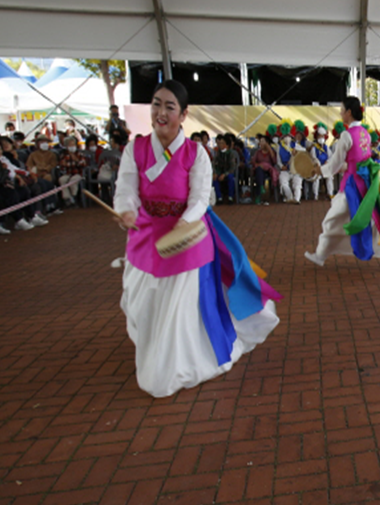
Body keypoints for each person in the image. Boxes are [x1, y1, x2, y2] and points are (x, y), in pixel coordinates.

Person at [112, 80, 281, 397]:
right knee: (141, 302)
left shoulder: (195, 153)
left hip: (186, 239)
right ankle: (155, 351)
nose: (161, 112)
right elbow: (126, 188)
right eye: (156, 104)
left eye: (170, 107)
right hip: (146, 238)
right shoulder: (135, 149)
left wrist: (184, 225)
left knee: (176, 312)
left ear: (183, 114)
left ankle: (171, 367)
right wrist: (126, 210)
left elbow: (200, 198)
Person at [304, 96, 380, 268]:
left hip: (352, 186)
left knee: (332, 220)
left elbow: (335, 165)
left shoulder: (346, 136)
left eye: (342, 110)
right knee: (379, 218)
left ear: (349, 112)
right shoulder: (365, 133)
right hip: (369, 183)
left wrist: (319, 170)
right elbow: (357, 160)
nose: (340, 113)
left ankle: (320, 255)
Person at [26, 134, 60, 214]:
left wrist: (45, 169)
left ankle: (51, 204)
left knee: (48, 179)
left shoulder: (52, 154)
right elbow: (29, 166)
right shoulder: (33, 155)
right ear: (37, 144)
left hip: (47, 173)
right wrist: (37, 170)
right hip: (36, 175)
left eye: (45, 142)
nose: (44, 144)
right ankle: (47, 205)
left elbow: (53, 165)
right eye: (41, 142)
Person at [58, 135, 87, 207]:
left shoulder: (79, 154)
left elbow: (83, 164)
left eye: (73, 145)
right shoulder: (64, 155)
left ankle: (74, 196)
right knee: (62, 180)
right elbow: (61, 166)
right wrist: (63, 165)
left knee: (73, 180)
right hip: (68, 173)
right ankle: (68, 198)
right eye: (70, 145)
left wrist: (77, 160)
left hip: (78, 173)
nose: (72, 146)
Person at [309, 123, 334, 200]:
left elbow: (331, 156)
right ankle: (315, 195)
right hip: (318, 167)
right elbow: (313, 157)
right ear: (317, 137)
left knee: (329, 177)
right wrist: (318, 163)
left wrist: (327, 161)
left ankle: (330, 194)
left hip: (325, 167)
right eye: (320, 136)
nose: (321, 138)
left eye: (322, 136)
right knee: (316, 179)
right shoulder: (314, 147)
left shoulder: (326, 147)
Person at [275, 134, 302, 204]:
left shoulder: (295, 145)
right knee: (283, 183)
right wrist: (281, 166)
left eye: (288, 136)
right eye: (285, 137)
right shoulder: (279, 147)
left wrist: (297, 152)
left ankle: (297, 199)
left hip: (295, 170)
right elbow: (278, 160)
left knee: (297, 185)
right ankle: (290, 198)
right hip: (285, 170)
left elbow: (304, 151)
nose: (287, 138)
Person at [250, 136, 277, 205]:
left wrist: (270, 150)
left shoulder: (272, 152)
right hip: (259, 170)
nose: (260, 143)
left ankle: (258, 196)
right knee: (259, 171)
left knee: (260, 175)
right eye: (260, 142)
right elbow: (253, 162)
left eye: (262, 141)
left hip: (268, 171)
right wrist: (258, 165)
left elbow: (274, 162)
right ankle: (261, 188)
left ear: (267, 143)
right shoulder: (258, 152)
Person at [212, 135, 238, 204]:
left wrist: (224, 174)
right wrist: (215, 173)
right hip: (219, 173)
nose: (220, 145)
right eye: (220, 143)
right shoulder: (218, 153)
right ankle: (219, 198)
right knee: (214, 179)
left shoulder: (231, 154)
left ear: (227, 145)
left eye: (222, 143)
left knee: (230, 178)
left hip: (228, 173)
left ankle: (230, 197)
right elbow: (214, 164)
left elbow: (232, 167)